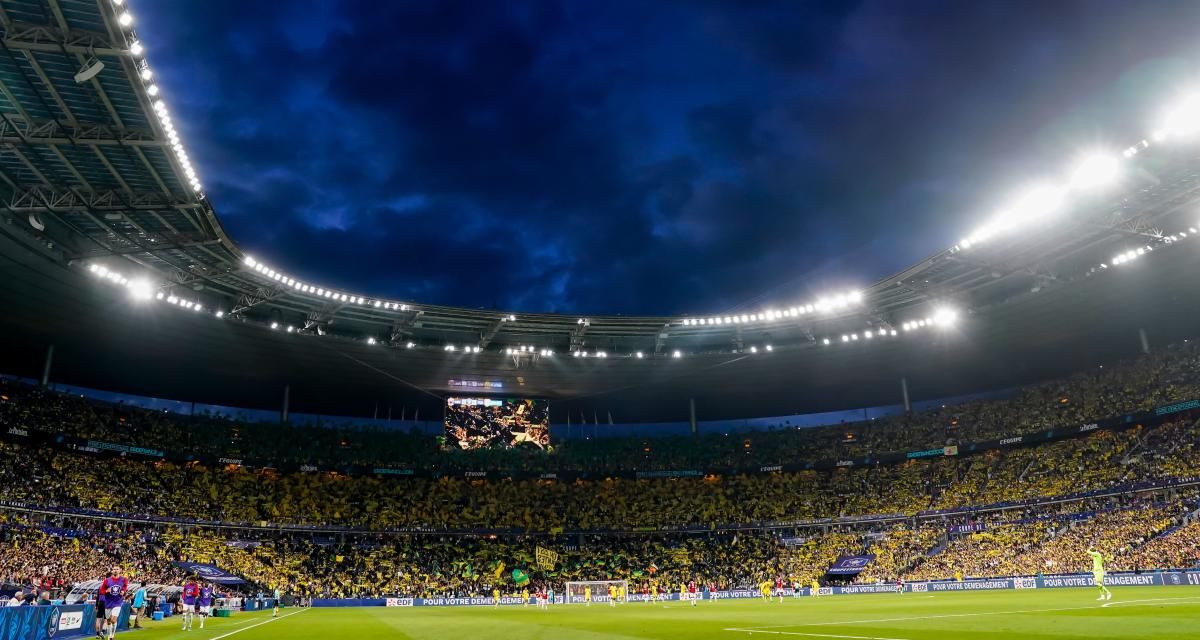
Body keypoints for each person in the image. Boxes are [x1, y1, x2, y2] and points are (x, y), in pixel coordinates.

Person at [99, 566, 128, 640]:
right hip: (108, 602)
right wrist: (106, 591)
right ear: (112, 571)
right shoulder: (107, 580)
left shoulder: (124, 579)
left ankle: (111, 637)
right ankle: (110, 636)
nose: (115, 570)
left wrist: (123, 591)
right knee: (108, 621)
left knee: (113, 620)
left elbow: (125, 587)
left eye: (117, 569)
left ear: (120, 570)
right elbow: (101, 592)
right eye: (114, 569)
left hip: (117, 602)